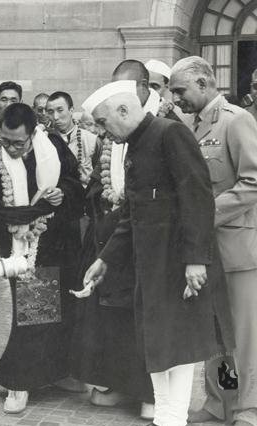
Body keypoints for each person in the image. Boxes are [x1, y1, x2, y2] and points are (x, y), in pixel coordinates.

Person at [77, 80, 235, 426]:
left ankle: (171, 418)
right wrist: (104, 259)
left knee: (178, 349)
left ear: (123, 110)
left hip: (178, 265)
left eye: (104, 122)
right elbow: (132, 215)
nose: (103, 131)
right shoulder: (134, 145)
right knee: (158, 346)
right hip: (149, 268)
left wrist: (196, 260)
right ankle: (165, 417)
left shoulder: (169, 134)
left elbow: (198, 199)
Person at [72, 59, 183, 419]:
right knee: (115, 314)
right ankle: (119, 381)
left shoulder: (167, 127)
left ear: (143, 88)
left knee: (145, 314)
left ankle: (151, 394)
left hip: (150, 239)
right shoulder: (114, 127)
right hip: (117, 232)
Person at [0, 103, 85, 414]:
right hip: (8, 245)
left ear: (33, 134)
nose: (11, 148)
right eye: (5, 140)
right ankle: (17, 382)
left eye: (18, 142)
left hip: (49, 243)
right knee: (18, 317)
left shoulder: (54, 145)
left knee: (46, 313)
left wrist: (60, 194)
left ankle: (51, 375)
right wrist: (38, 209)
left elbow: (74, 185)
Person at [169, 56, 257, 426]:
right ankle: (219, 401)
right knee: (215, 331)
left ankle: (248, 408)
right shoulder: (190, 127)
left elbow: (253, 182)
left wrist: (205, 215)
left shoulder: (237, 121)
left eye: (180, 90)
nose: (176, 98)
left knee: (243, 333)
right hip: (205, 250)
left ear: (204, 84)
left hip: (237, 248)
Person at [46, 91, 97, 187]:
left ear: (71, 110)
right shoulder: (45, 141)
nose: (55, 117)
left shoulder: (91, 140)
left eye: (60, 110)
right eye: (50, 112)